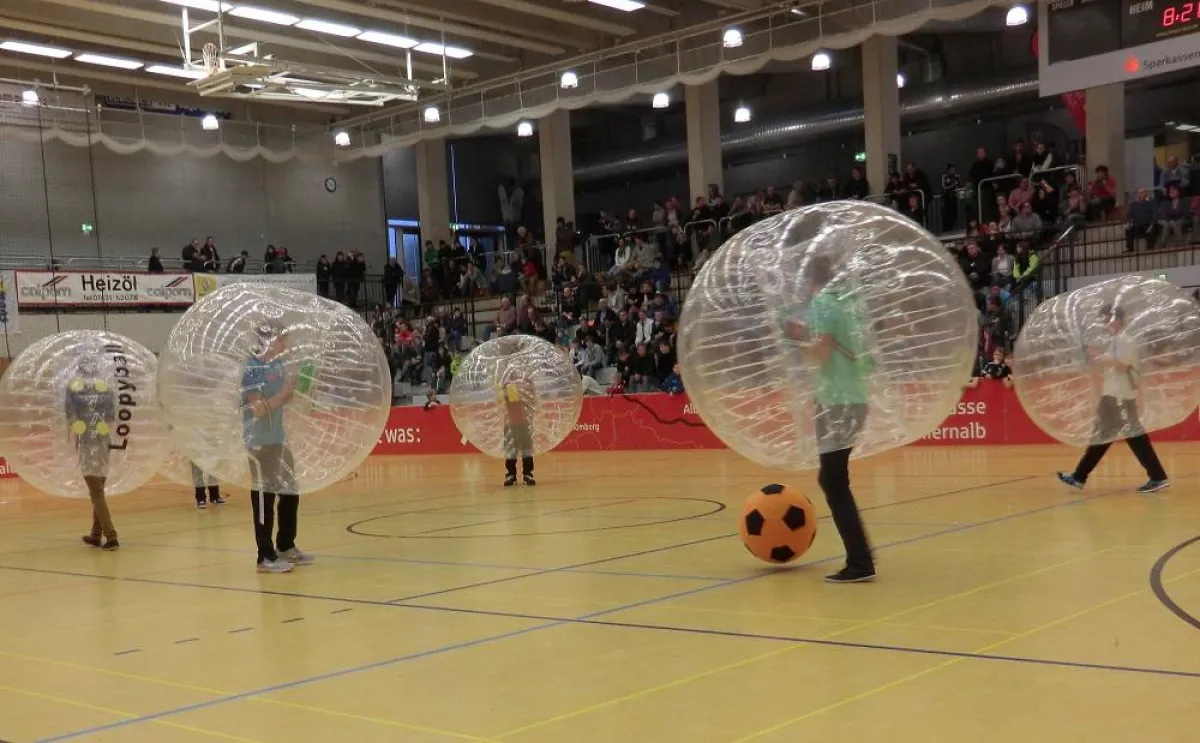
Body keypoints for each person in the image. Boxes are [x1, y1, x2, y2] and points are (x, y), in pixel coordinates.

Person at [782, 256, 875, 583]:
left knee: (833, 480)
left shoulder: (821, 303)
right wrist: (810, 334)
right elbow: (849, 349)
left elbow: (820, 353)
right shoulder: (849, 304)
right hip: (857, 399)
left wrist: (796, 340)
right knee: (834, 478)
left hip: (834, 402)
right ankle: (860, 557)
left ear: (811, 282)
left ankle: (860, 561)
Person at [1057, 305, 1169, 494]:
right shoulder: (1116, 340)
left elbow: (1123, 366)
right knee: (1102, 437)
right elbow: (1111, 365)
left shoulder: (1125, 340)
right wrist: (1095, 359)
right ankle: (1079, 476)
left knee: (1135, 437)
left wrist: (1099, 356)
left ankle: (1158, 477)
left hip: (1120, 397)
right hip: (1112, 395)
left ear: (1116, 319)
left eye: (1106, 318)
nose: (1104, 323)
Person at [242, 322, 314, 573]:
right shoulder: (252, 367)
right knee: (264, 497)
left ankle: (285, 544)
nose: (286, 344)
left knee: (290, 491)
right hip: (259, 442)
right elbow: (258, 409)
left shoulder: (278, 364)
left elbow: (288, 397)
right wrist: (285, 391)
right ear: (268, 340)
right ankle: (265, 556)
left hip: (278, 439)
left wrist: (303, 383)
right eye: (282, 339)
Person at [71, 357, 120, 551]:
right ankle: (95, 534)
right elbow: (111, 416)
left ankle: (112, 536)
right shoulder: (106, 389)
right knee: (98, 492)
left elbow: (69, 416)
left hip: (86, 444)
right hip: (103, 443)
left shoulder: (74, 390)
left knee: (97, 493)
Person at [496, 362, 535, 487]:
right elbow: (500, 396)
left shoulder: (527, 382)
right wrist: (508, 385)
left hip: (525, 422)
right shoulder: (506, 384)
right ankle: (511, 474)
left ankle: (527, 474)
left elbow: (531, 398)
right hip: (510, 423)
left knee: (527, 449)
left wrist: (516, 388)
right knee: (510, 450)